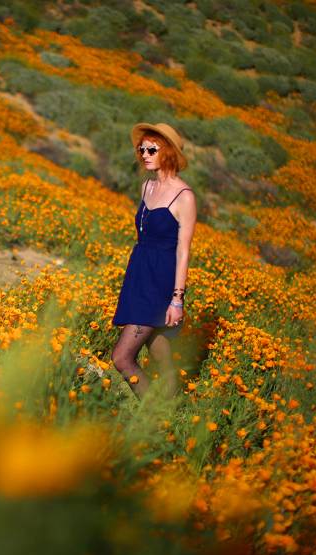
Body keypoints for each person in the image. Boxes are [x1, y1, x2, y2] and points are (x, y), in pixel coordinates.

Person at [111, 122, 196, 399]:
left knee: (122, 358)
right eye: (141, 149)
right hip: (139, 274)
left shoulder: (184, 197)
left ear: (168, 152)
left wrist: (177, 299)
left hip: (161, 283)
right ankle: (173, 413)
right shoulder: (146, 187)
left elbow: (183, 251)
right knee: (160, 354)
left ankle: (154, 417)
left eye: (151, 149)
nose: (144, 154)